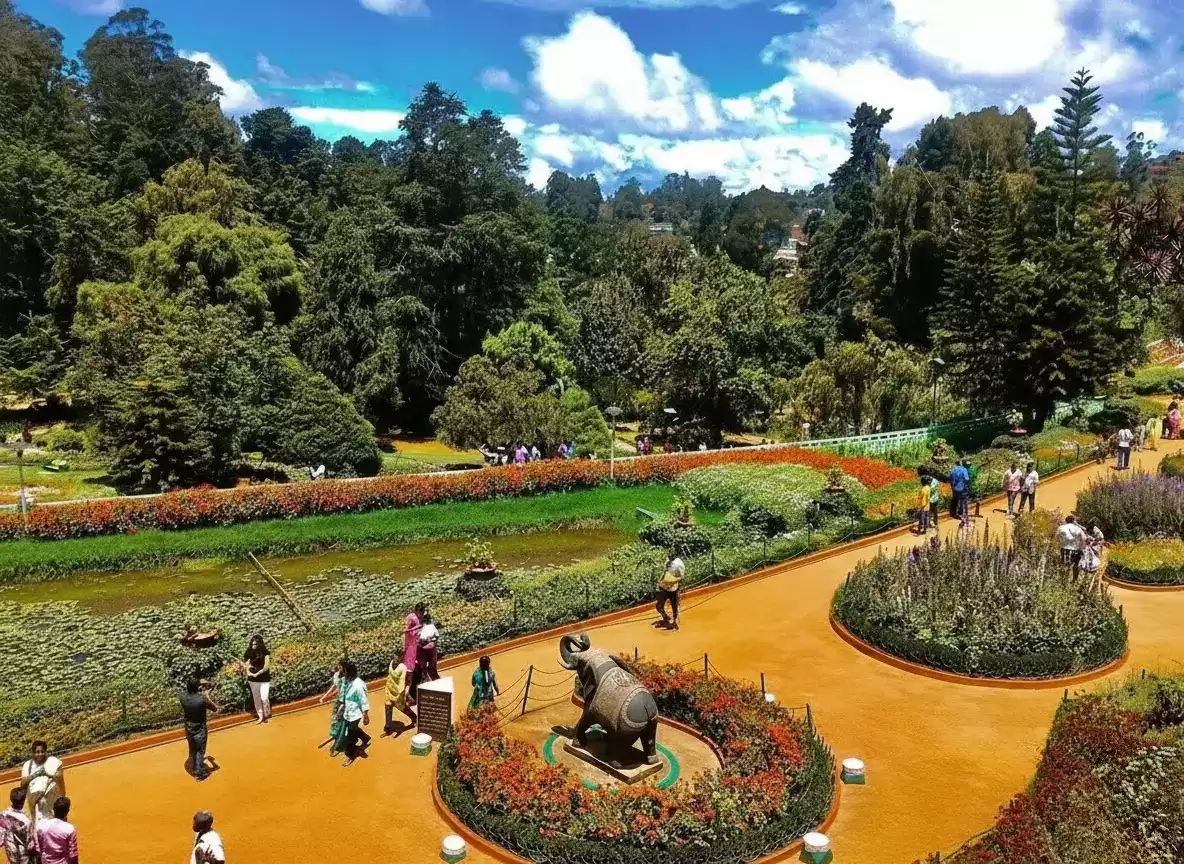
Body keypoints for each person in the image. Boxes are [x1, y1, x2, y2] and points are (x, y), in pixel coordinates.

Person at [181, 678, 219, 781]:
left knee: (192, 748)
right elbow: (215, 708)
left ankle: (193, 766)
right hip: (199, 727)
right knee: (200, 750)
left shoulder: (183, 697)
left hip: (188, 726)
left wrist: (201, 684)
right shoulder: (201, 700)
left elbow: (192, 687)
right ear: (198, 687)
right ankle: (199, 772)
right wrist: (207, 695)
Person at [20, 742, 64, 824]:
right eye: (37, 752)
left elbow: (59, 776)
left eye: (42, 751)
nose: (40, 754)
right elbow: (23, 784)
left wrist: (48, 774)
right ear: (33, 753)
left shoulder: (53, 762)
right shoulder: (27, 765)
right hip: (36, 806)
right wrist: (35, 774)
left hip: (52, 803)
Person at [340, 660, 371, 768]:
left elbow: (364, 701)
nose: (341, 672)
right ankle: (365, 738)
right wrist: (342, 706)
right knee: (352, 729)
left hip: (356, 713)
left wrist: (366, 716)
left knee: (350, 736)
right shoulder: (347, 681)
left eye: (343, 670)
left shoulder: (359, 685)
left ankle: (351, 755)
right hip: (348, 712)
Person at [316, 659, 350, 757]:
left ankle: (338, 744)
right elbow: (334, 687)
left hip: (345, 702)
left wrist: (343, 704)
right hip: (338, 701)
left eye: (341, 667)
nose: (340, 669)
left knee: (341, 722)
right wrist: (324, 697)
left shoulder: (348, 678)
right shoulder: (336, 675)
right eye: (339, 667)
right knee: (336, 720)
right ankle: (362, 737)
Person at [33, 798, 76, 864]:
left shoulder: (42, 827)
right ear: (67, 811)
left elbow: (38, 848)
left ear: (53, 810)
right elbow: (73, 854)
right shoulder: (70, 829)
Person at [1, 788, 37, 864]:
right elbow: (30, 845)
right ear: (23, 801)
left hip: (11, 853)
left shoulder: (3, 815)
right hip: (23, 857)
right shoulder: (26, 821)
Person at [243, 633, 271, 724]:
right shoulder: (248, 652)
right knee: (256, 698)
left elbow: (266, 666)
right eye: (252, 644)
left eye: (255, 644)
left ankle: (267, 713)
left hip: (264, 678)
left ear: (260, 644)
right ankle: (260, 716)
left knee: (264, 697)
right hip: (253, 680)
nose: (253, 646)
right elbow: (246, 665)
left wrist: (258, 673)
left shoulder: (265, 653)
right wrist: (249, 672)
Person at [383, 653, 411, 735]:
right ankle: (388, 728)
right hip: (390, 690)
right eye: (394, 657)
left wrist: (400, 695)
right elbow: (390, 676)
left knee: (402, 708)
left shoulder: (403, 668)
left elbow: (401, 683)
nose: (395, 660)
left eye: (397, 658)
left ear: (401, 658)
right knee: (388, 706)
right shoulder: (391, 663)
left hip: (398, 693)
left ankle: (415, 718)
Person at [656, 551, 684, 630]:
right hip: (664, 587)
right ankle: (665, 617)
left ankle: (675, 623)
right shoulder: (668, 561)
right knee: (659, 606)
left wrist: (672, 582)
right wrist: (660, 581)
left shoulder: (679, 564)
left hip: (674, 588)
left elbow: (681, 578)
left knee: (675, 606)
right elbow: (664, 571)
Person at [417, 613, 440, 684]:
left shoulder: (429, 627)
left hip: (426, 651)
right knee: (429, 669)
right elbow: (436, 636)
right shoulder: (431, 627)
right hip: (426, 651)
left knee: (427, 669)